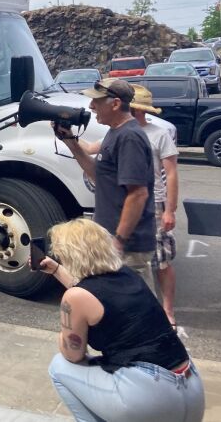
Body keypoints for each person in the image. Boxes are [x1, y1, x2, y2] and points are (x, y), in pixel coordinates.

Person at [38, 218, 204, 422]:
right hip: (191, 389)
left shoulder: (75, 298)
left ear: (70, 256)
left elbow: (73, 355)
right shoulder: (127, 275)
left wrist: (65, 333)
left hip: (149, 397)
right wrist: (55, 270)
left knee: (58, 367)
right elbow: (93, 291)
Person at [55, 78, 156, 292]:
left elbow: (138, 194)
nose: (91, 107)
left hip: (129, 243)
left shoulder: (129, 137)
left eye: (96, 101)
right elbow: (98, 176)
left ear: (116, 104)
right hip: (114, 237)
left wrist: (119, 240)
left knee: (134, 305)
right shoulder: (116, 132)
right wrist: (71, 141)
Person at [128, 85, 180, 327]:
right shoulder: (118, 132)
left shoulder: (159, 134)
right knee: (136, 258)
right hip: (128, 203)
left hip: (154, 203)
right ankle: (144, 308)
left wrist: (170, 210)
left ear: (136, 109)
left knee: (161, 260)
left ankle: (167, 310)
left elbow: (171, 174)